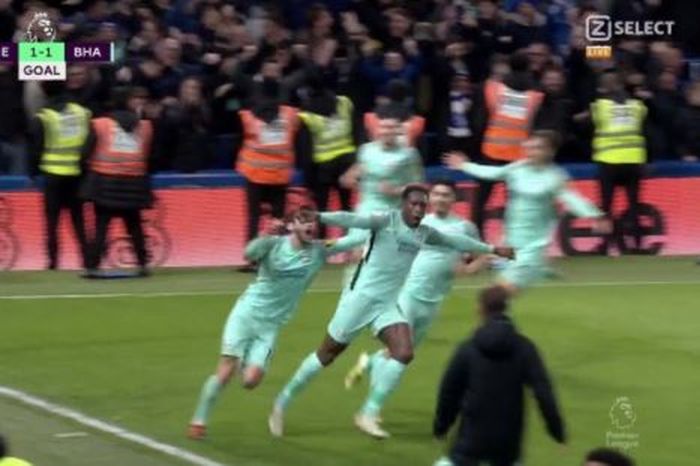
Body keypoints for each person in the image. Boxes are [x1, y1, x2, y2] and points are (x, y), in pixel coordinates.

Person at [268, 186, 514, 439]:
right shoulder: (385, 221)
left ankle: (368, 412)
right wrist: (320, 216)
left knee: (404, 352)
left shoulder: (424, 232)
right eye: (414, 204)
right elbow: (351, 219)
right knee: (326, 355)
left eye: (422, 205)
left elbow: (456, 242)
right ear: (403, 205)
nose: (419, 209)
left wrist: (493, 249)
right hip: (359, 301)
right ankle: (281, 403)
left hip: (386, 305)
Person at [187, 207, 363, 440]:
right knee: (226, 370)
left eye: (312, 222)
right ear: (291, 226)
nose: (310, 226)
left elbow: (351, 240)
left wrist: (379, 227)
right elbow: (248, 253)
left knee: (251, 381)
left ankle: (244, 360)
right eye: (303, 221)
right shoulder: (273, 244)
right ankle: (199, 422)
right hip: (246, 315)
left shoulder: (320, 250)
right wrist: (264, 236)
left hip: (270, 328)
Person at [344, 180, 492, 420]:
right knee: (402, 354)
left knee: (400, 352)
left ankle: (368, 364)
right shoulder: (419, 222)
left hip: (434, 301)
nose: (441, 199)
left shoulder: (465, 227)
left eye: (447, 194)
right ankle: (372, 408)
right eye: (437, 194)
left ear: (455, 199)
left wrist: (468, 269)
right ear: (430, 200)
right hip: (408, 295)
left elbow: (480, 256)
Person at [444, 130, 610, 295]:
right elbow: (492, 173)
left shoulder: (555, 177)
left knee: (497, 295)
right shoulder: (518, 168)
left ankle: (535, 267)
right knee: (491, 289)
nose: (531, 152)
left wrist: (595, 215)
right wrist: (464, 165)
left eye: (537, 148)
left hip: (533, 246)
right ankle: (537, 270)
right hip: (509, 241)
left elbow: (572, 199)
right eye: (529, 147)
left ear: (550, 151)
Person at [432, 286, 566, 466]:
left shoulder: (468, 348)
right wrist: (557, 432)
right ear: (506, 308)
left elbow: (449, 392)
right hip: (508, 445)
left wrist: (441, 427)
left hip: (469, 443)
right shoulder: (525, 348)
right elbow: (544, 393)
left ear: (479, 309)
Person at [81, 86, 154, 277]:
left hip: (104, 182)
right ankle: (143, 265)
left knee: (101, 227)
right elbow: (148, 155)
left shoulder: (100, 124)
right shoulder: (145, 126)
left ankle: (92, 266)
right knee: (135, 226)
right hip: (134, 184)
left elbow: (85, 153)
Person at [472, 52, 544, 237]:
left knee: (481, 200)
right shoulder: (536, 93)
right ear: (528, 67)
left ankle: (478, 240)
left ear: (509, 66)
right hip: (518, 155)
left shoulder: (493, 88)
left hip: (491, 151)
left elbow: (480, 119)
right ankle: (512, 241)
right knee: (515, 204)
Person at [236, 70, 300, 271]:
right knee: (278, 219)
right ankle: (279, 257)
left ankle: (252, 259)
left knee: (253, 218)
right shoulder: (291, 115)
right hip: (280, 177)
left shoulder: (248, 116)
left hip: (254, 175)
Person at [28, 80, 91, 271]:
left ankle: (53, 263)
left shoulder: (44, 117)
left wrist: (33, 172)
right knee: (79, 221)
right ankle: (88, 259)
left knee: (52, 222)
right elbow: (90, 141)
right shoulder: (82, 112)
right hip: (77, 174)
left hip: (53, 176)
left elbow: (36, 149)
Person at [590, 70, 647, 254]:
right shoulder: (637, 106)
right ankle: (637, 244)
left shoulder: (599, 106)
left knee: (606, 207)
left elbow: (594, 121)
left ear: (604, 87)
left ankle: (606, 246)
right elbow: (644, 116)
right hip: (633, 161)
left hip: (609, 161)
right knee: (633, 204)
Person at [298, 70, 357, 238]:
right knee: (346, 206)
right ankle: (350, 244)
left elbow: (306, 149)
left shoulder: (306, 113)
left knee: (322, 210)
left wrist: (307, 181)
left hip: (322, 167)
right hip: (346, 163)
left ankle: (322, 248)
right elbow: (357, 132)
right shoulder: (345, 103)